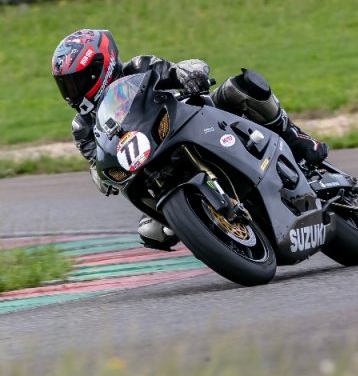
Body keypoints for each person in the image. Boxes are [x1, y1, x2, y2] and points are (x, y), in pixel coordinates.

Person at [51, 28, 329, 251]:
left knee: (239, 89)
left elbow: (173, 71)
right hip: (151, 168)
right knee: (152, 231)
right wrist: (102, 176)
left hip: (193, 121)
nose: (72, 91)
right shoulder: (82, 126)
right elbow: (97, 161)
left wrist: (188, 73)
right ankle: (197, 218)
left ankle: (295, 136)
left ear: (101, 66)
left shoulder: (138, 67)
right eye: (66, 85)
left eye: (78, 80)